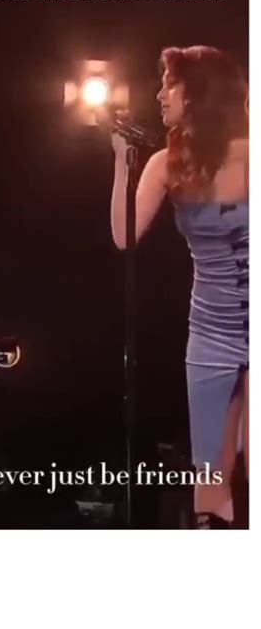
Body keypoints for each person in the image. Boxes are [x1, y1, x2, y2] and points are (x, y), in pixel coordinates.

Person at [111, 46, 249, 528]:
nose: (159, 95)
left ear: (196, 93)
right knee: (209, 471)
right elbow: (124, 236)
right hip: (210, 333)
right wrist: (121, 163)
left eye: (169, 84)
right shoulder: (166, 163)